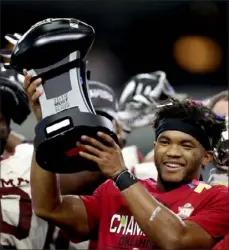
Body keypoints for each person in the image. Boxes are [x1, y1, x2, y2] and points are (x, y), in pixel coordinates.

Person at [28, 84, 228, 250]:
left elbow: (176, 241)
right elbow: (49, 208)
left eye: (186, 145)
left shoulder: (218, 198)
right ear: (155, 147)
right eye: (165, 142)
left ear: (206, 157)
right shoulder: (112, 191)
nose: (172, 152)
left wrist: (121, 174)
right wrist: (46, 128)